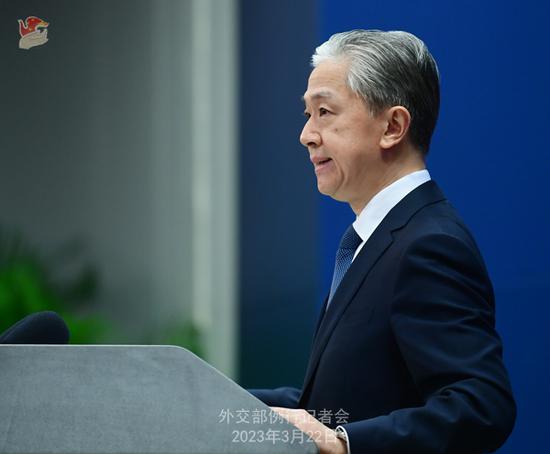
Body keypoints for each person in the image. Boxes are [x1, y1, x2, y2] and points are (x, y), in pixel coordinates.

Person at [248, 30, 516, 454]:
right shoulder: (373, 241)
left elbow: (481, 405)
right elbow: (340, 405)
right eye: (307, 114)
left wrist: (343, 443)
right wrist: (214, 400)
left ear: (393, 126)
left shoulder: (429, 245)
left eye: (324, 112)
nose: (307, 134)